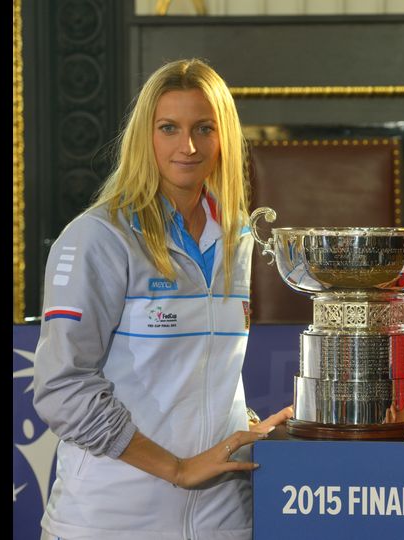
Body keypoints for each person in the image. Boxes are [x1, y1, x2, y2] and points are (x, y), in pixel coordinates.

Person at [32, 58, 293, 540]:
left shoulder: (238, 237)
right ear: (143, 137)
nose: (187, 146)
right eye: (168, 128)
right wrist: (177, 467)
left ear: (225, 139)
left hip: (225, 517)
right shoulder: (97, 237)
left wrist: (244, 425)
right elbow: (62, 387)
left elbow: (199, 373)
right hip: (111, 520)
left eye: (204, 128)